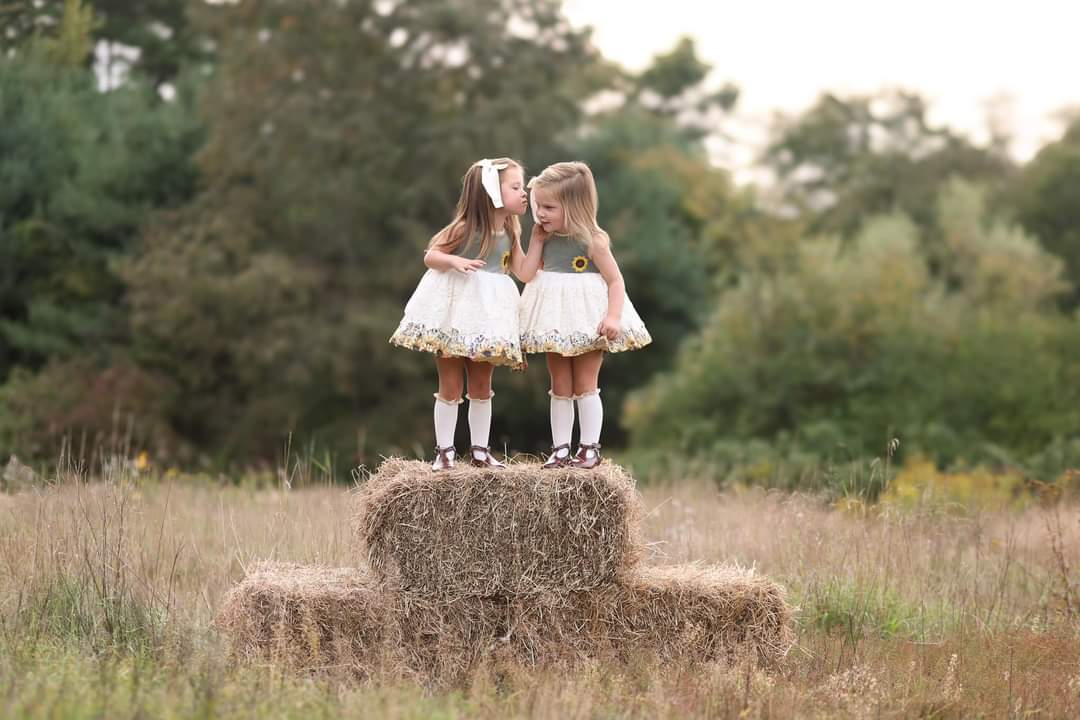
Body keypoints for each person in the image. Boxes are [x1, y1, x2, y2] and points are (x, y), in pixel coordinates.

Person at [389, 158, 528, 470]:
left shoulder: (511, 232)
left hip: (486, 318)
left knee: (482, 384)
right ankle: (445, 451)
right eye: (516, 187)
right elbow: (432, 256)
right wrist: (455, 263)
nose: (524, 194)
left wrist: (543, 243)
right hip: (455, 315)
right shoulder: (466, 229)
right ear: (492, 191)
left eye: (524, 188)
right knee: (450, 384)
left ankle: (480, 450)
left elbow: (522, 270)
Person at [517, 161, 651, 469]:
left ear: (573, 206)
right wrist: (533, 242)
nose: (540, 213)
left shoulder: (593, 241)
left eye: (549, 207)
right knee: (560, 383)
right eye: (538, 206)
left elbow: (615, 280)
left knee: (586, 383)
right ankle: (560, 449)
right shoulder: (544, 238)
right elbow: (526, 275)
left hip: (589, 320)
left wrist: (613, 317)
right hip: (554, 320)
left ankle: (589, 448)